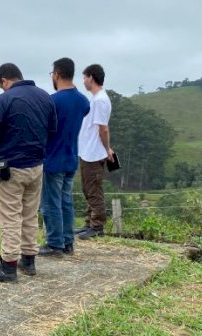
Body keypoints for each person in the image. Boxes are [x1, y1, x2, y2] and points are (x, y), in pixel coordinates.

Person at [0, 63, 57, 282]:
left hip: (11, 168)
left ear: (4, 81)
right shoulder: (45, 98)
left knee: (10, 217)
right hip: (37, 166)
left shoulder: (4, 100)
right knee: (30, 214)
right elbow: (52, 130)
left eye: (1, 85)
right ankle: (29, 260)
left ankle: (8, 266)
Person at [38, 58, 90, 256]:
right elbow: (83, 108)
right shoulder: (82, 101)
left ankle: (54, 243)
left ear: (56, 74)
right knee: (66, 201)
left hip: (52, 157)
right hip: (71, 156)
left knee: (51, 203)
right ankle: (68, 241)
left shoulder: (52, 101)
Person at [76, 64, 114, 239]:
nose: (83, 81)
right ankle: (89, 223)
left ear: (91, 77)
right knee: (87, 189)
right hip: (87, 151)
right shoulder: (96, 99)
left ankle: (97, 225)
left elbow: (103, 129)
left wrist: (106, 149)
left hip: (93, 152)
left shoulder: (99, 101)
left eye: (84, 77)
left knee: (94, 190)